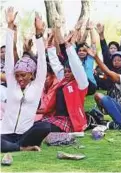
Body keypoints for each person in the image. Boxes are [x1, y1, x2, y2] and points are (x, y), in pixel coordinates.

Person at [1, 8, 50, 152]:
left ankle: (19, 146)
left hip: (26, 133)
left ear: (31, 75)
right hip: (5, 134)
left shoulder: (37, 84)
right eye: (17, 75)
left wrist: (39, 33)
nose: (19, 78)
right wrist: (9, 28)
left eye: (23, 75)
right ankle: (22, 148)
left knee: (45, 126)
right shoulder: (12, 83)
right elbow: (9, 57)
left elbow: (41, 60)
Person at [41, 23, 89, 133]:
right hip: (55, 117)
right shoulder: (63, 80)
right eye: (65, 71)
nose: (66, 74)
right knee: (36, 125)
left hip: (70, 121)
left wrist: (69, 47)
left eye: (69, 72)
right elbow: (55, 64)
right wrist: (50, 47)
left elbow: (77, 66)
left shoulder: (81, 84)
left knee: (45, 129)